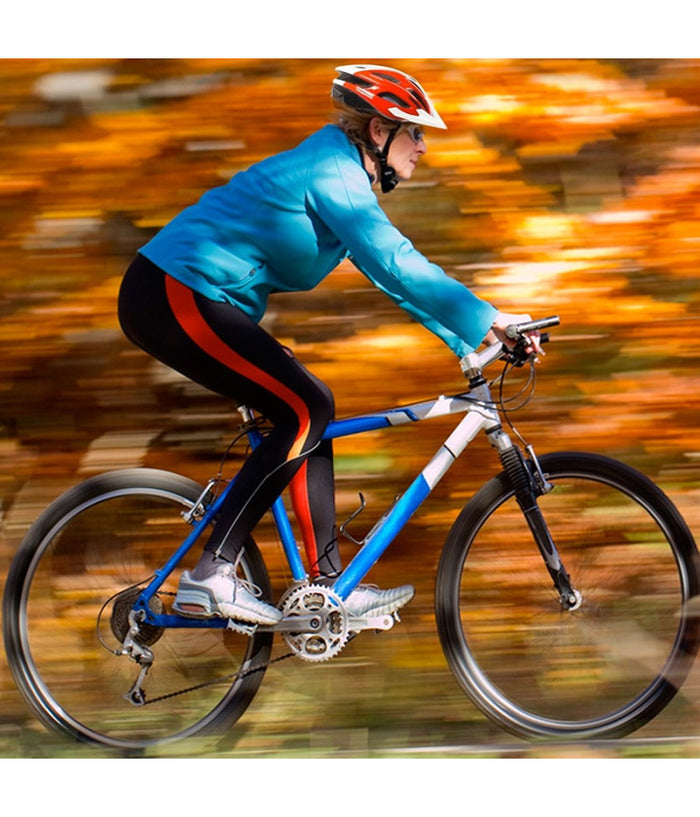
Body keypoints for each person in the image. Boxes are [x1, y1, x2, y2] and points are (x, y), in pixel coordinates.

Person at [118, 63, 534, 626]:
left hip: (198, 299)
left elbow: (391, 279)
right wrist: (491, 317)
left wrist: (469, 341)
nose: (423, 147)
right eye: (415, 132)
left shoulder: (343, 181)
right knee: (305, 405)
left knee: (311, 407)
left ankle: (325, 586)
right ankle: (211, 574)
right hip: (171, 290)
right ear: (379, 131)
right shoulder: (332, 169)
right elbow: (396, 259)